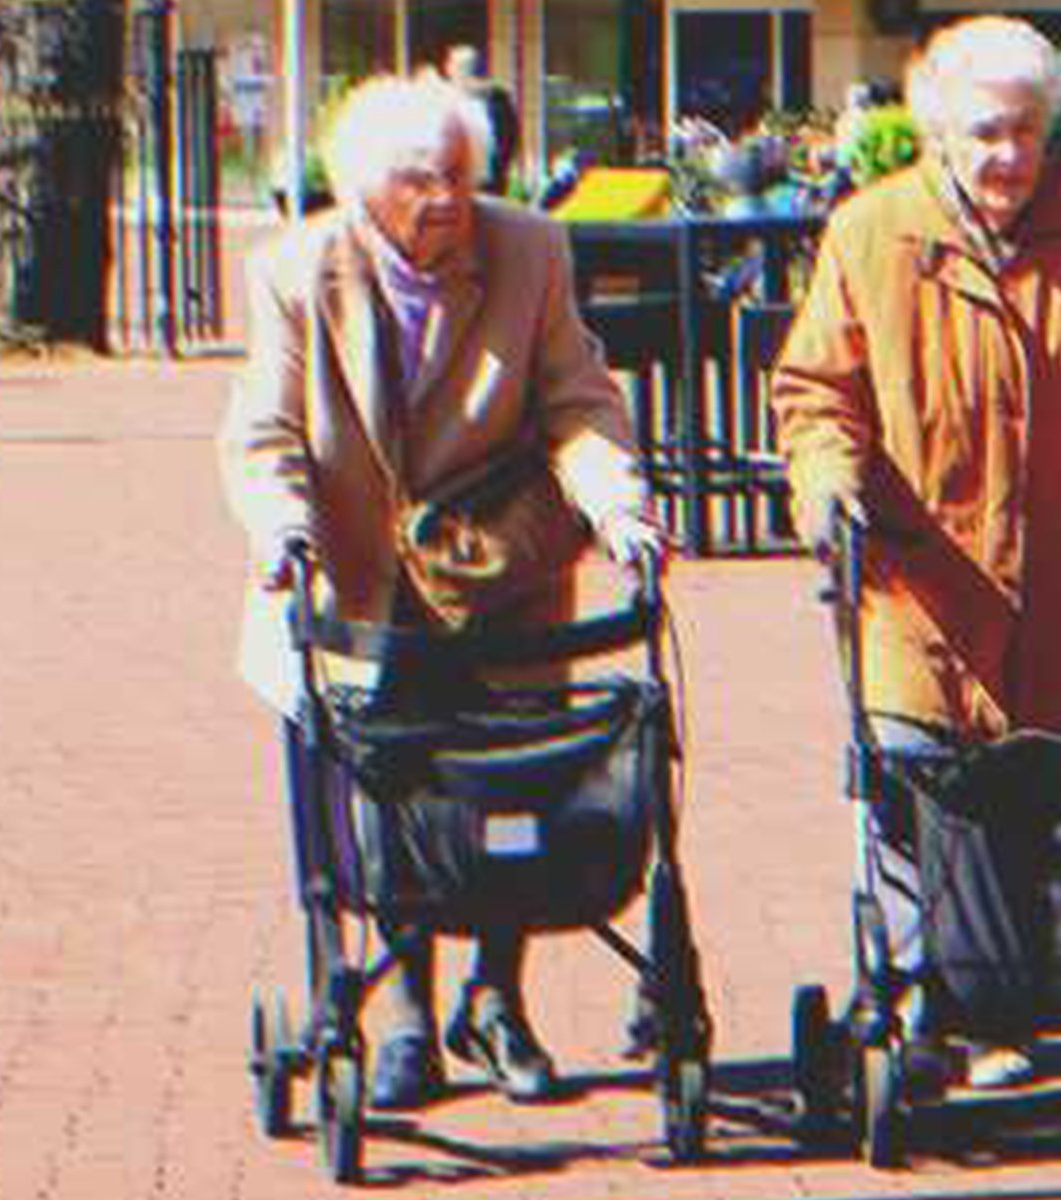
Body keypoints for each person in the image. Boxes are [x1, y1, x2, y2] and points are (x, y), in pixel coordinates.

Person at [772, 16, 1061, 1090]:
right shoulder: (873, 233)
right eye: (983, 135)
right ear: (935, 135)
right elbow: (817, 390)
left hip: (1051, 581)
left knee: (1027, 796)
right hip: (918, 583)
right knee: (913, 788)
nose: (1007, 156)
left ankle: (998, 1011)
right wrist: (825, 483)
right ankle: (921, 1002)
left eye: (1024, 132)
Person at [219, 72, 662, 1112]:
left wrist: (618, 504)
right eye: (421, 182)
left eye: (461, 176)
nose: (448, 201)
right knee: (400, 795)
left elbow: (578, 400)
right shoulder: (296, 268)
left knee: (515, 782)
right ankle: (409, 1012)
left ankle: (497, 1001)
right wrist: (279, 528)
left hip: (496, 567)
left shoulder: (529, 250)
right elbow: (266, 429)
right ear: (367, 189)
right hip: (362, 575)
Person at [444, 45, 519, 196]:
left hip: (488, 185)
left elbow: (509, 140)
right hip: (452, 185)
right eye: (459, 67)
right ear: (449, 69)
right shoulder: (442, 100)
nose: (463, 72)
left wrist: (498, 171)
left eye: (469, 67)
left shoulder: (496, 100)